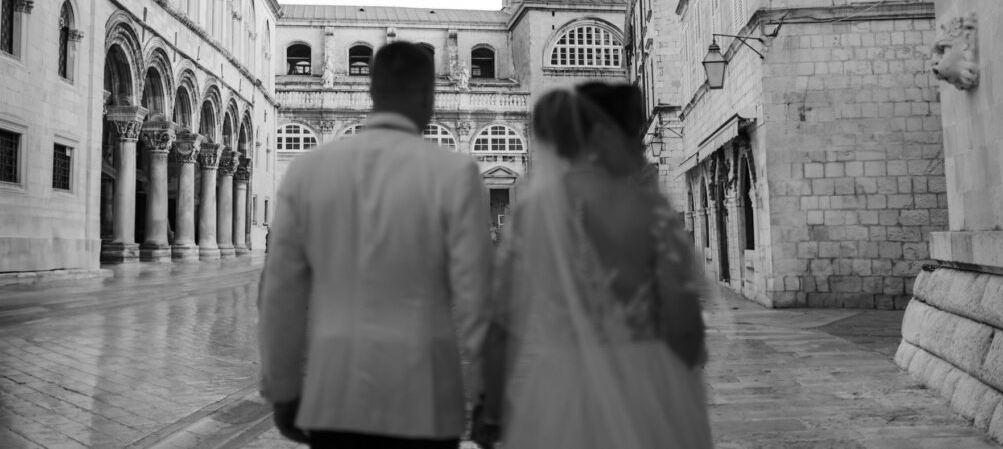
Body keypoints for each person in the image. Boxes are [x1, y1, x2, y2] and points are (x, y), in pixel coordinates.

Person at [259, 41, 494, 448]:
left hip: (335, 393)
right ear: (428, 95)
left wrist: (282, 386)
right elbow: (478, 299)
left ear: (372, 90)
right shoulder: (455, 173)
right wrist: (489, 394)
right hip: (426, 398)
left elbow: (280, 293)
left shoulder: (307, 170)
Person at [473, 84, 712, 449]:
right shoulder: (651, 213)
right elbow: (685, 328)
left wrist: (491, 410)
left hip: (559, 395)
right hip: (647, 395)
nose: (641, 146)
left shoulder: (531, 215)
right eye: (634, 134)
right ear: (602, 136)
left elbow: (502, 328)